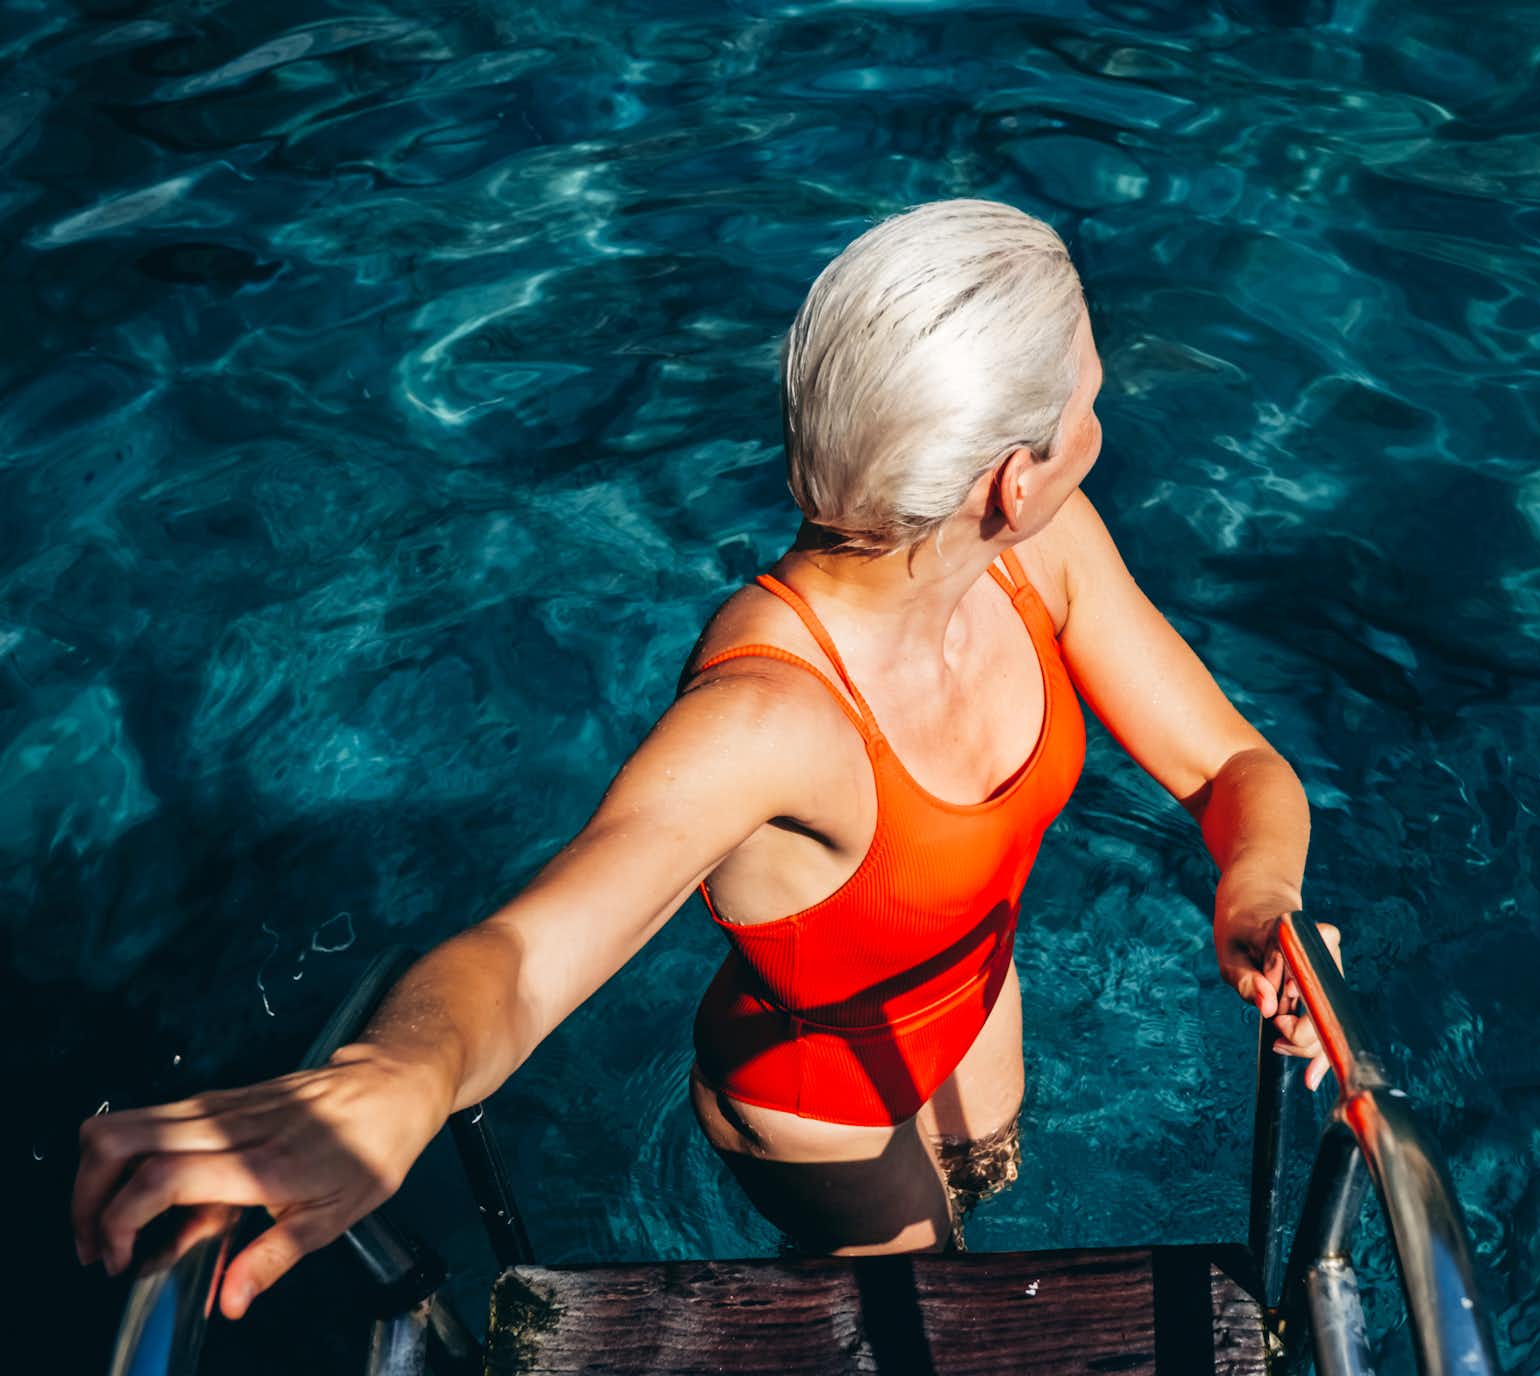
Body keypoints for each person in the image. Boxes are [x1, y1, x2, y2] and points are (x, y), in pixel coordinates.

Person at [67, 197, 1343, 1319]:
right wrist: (394, 1079)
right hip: (817, 1101)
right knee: (943, 1334)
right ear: (1012, 479)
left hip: (971, 1001)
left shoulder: (1040, 558)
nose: (1100, 432)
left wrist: (1258, 892)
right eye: (1092, 411)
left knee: (987, 1203)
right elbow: (522, 959)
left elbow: (1230, 763)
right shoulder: (770, 721)